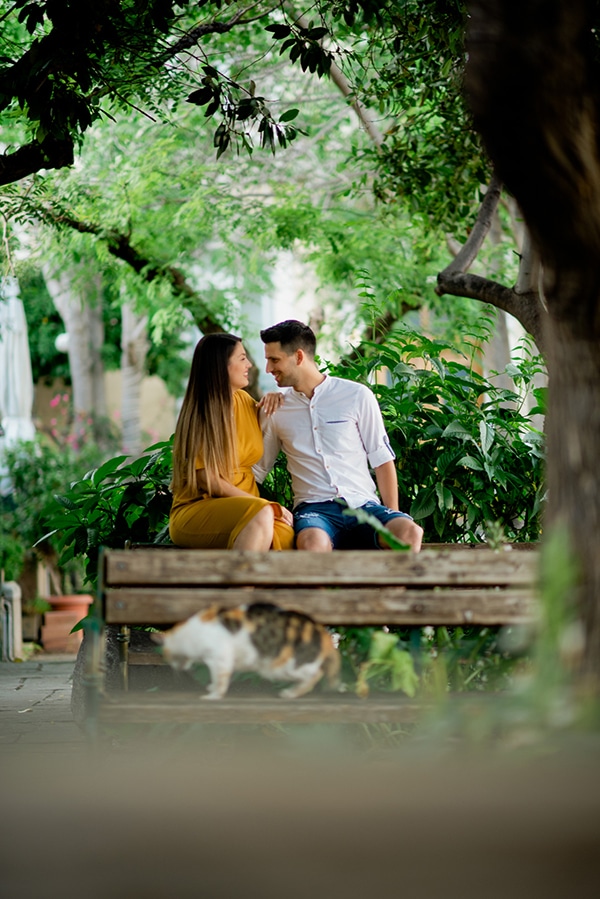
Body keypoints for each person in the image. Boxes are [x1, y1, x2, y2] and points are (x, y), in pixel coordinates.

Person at [253, 320, 423, 553]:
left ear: (299, 357)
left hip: (363, 506)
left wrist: (391, 515)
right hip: (315, 511)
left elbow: (382, 460)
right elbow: (258, 471)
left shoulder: (356, 395)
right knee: (312, 544)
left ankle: (390, 579)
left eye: (274, 360)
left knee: (409, 532)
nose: (268, 369)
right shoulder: (276, 410)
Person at [169, 333, 294, 551]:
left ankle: (242, 573)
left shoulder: (244, 400)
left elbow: (267, 419)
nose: (250, 365)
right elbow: (209, 481)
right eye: (242, 358)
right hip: (200, 508)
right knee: (263, 514)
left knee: (284, 533)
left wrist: (274, 397)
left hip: (249, 508)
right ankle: (239, 575)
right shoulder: (202, 412)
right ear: (221, 365)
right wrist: (264, 505)